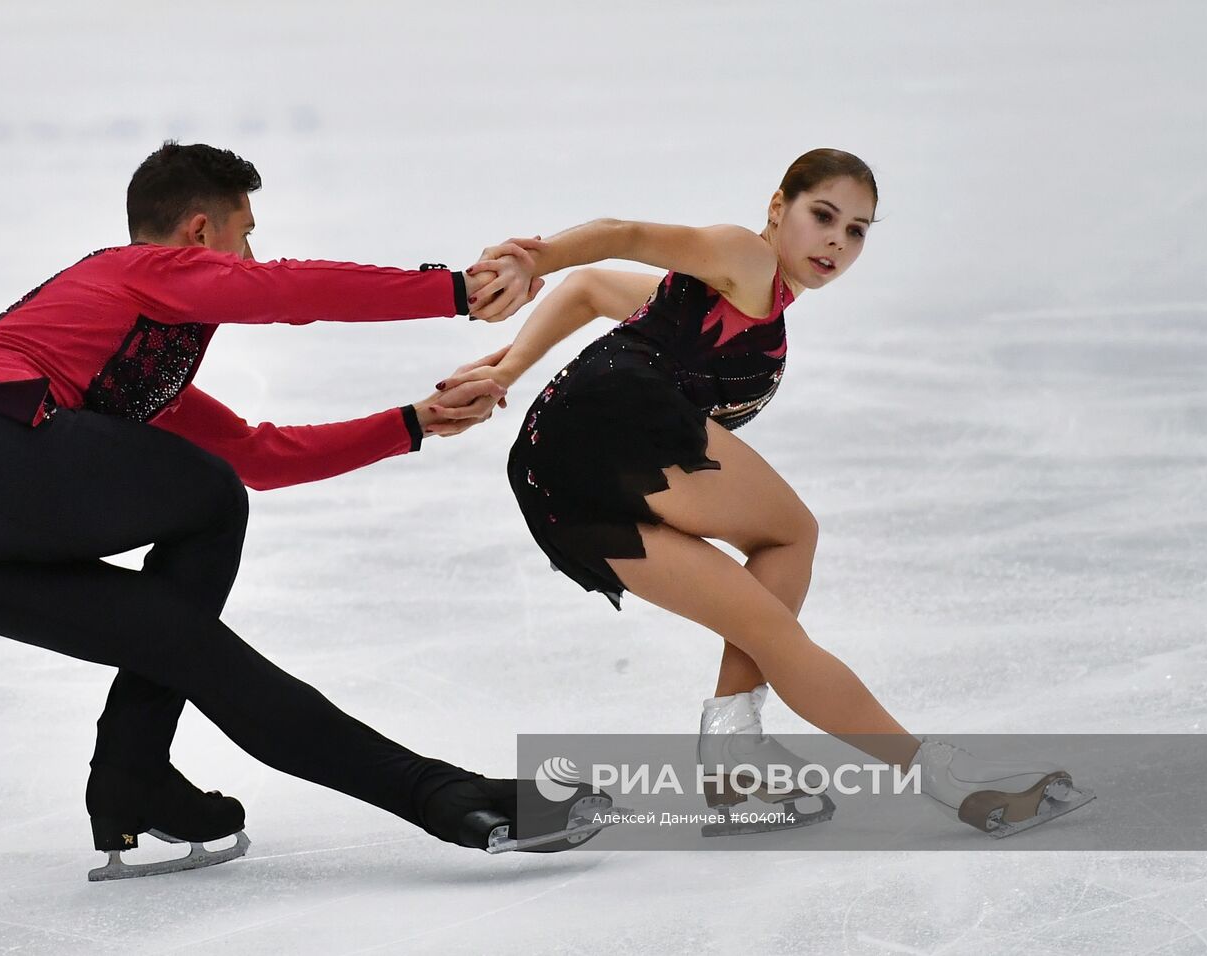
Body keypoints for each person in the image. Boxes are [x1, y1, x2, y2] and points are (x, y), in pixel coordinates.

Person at [0, 141, 610, 880]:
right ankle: (136, 766)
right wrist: (457, 290)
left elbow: (254, 457)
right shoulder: (135, 271)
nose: (253, 254)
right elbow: (290, 293)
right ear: (199, 233)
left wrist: (414, 422)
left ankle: (430, 796)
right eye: (246, 233)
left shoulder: (120, 372)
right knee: (208, 499)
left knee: (189, 641)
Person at [446, 148, 1094, 837]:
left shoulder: (735, 303)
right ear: (778, 208)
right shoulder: (744, 260)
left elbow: (592, 290)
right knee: (791, 535)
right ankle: (943, 779)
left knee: (767, 623)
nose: (837, 242)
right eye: (823, 216)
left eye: (857, 230)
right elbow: (621, 234)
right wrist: (532, 261)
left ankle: (734, 750)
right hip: (612, 425)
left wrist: (507, 372)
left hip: (558, 488)